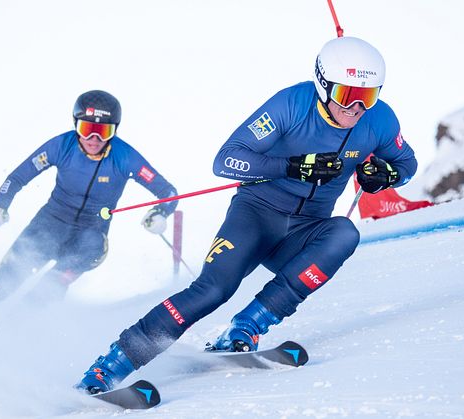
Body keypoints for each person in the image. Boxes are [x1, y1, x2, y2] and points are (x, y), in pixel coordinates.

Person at [76, 37, 418, 393]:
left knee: (345, 233)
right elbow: (226, 160)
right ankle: (108, 369)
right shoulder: (291, 105)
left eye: (369, 95)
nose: (358, 107)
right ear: (323, 83)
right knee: (213, 290)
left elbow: (407, 163)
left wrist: (387, 174)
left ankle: (246, 327)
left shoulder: (380, 120)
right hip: (256, 217)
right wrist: (292, 167)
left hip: (305, 231)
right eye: (348, 94)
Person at [0, 90, 178, 316]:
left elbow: (168, 191)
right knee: (1, 286)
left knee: (47, 290)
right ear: (75, 125)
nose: (93, 139)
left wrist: (160, 212)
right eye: (87, 129)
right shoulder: (61, 146)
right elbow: (16, 178)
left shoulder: (125, 156)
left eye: (103, 132)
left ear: (114, 130)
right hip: (48, 225)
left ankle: (18, 334)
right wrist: (0, 205)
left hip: (89, 236)